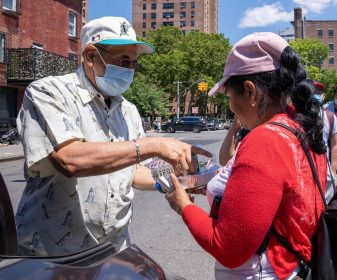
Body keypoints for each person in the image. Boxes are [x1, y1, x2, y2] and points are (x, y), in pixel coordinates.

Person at [16, 16, 211, 256]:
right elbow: (69, 158)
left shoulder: (128, 110)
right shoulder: (48, 92)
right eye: (123, 61)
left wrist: (179, 182)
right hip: (54, 252)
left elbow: (132, 172)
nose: (129, 70)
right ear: (91, 56)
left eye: (133, 64)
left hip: (114, 249)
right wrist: (153, 145)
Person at [165, 32, 327, 279]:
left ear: (251, 92)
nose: (230, 106)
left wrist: (183, 205)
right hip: (293, 268)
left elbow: (229, 249)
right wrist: (220, 181)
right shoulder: (299, 126)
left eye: (229, 97)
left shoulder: (265, 140)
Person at [313, 81, 337, 202]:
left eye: (318, 92)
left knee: (325, 207)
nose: (315, 94)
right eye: (312, 91)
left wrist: (333, 170)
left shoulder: (330, 117)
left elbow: (335, 144)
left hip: (325, 170)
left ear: (323, 96)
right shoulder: (295, 116)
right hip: (301, 171)